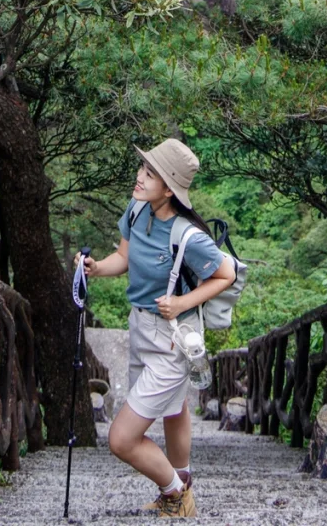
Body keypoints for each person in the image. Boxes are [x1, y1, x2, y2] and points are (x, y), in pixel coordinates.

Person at [79, 139, 235, 517]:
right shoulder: (137, 210)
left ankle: (175, 491)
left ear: (169, 189)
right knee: (173, 406)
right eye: (142, 169)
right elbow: (124, 257)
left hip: (170, 340)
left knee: (121, 438)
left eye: (150, 174)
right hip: (140, 327)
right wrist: (97, 268)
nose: (139, 177)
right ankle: (179, 490)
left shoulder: (187, 236)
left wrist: (182, 302)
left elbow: (225, 274)